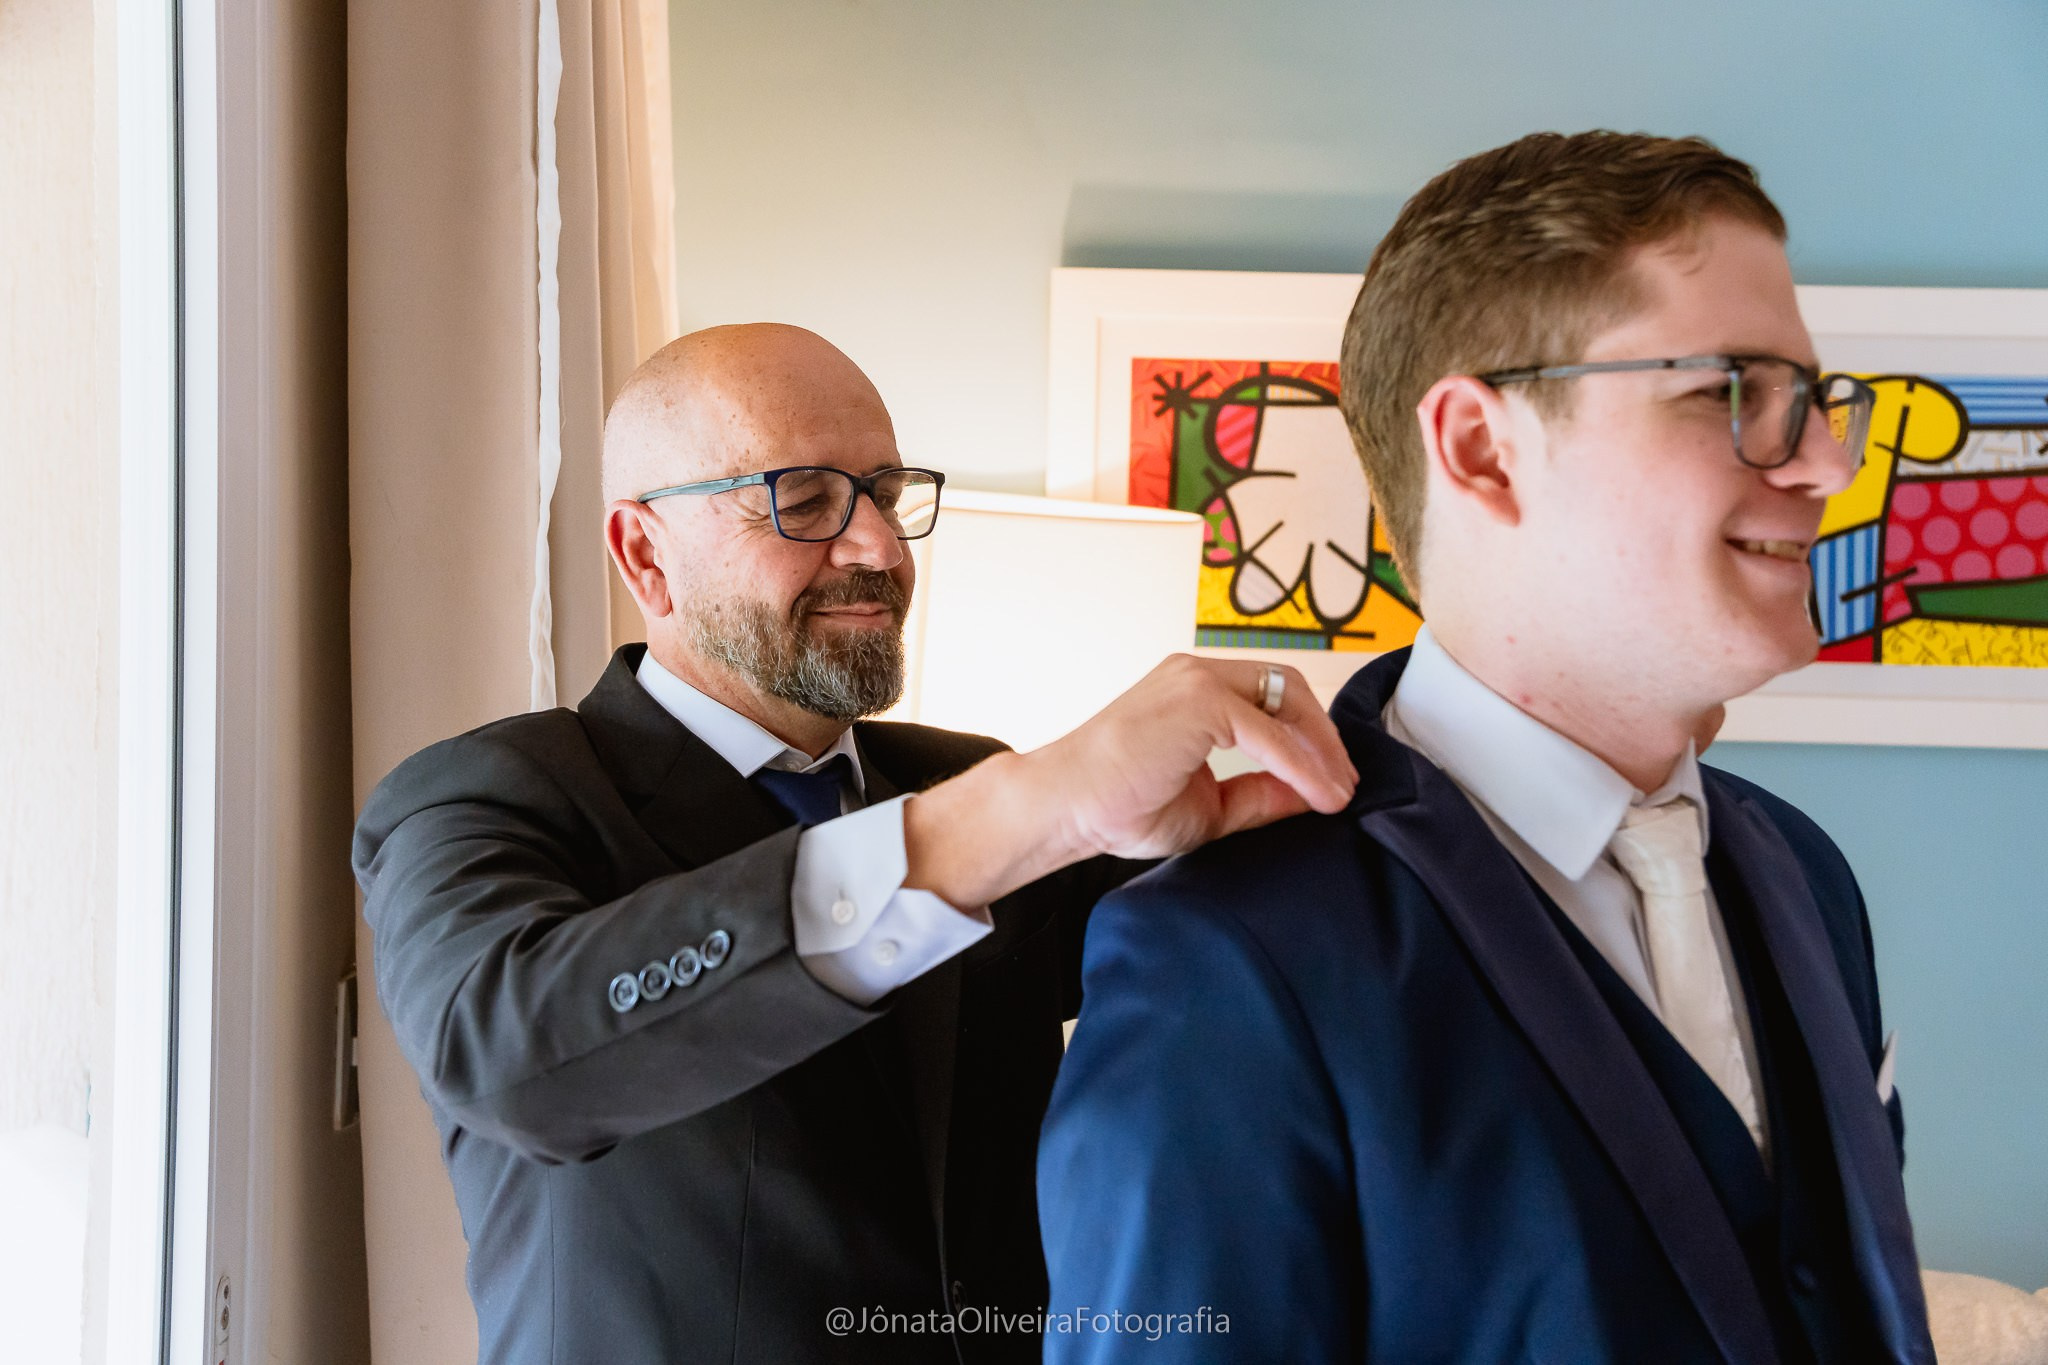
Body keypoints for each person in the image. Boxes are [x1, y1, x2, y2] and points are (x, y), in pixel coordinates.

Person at [1037, 131, 1936, 1365]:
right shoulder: (1226, 959)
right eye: (1734, 390)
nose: (1828, 464)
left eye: (1814, 403)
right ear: (1479, 447)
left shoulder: (1804, 872)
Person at [352, 323, 1357, 1365]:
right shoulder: (486, 797)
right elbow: (512, 1063)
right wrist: (1024, 807)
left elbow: (1244, 965)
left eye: (883, 491)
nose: (878, 549)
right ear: (645, 554)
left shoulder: (960, 775)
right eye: (805, 499)